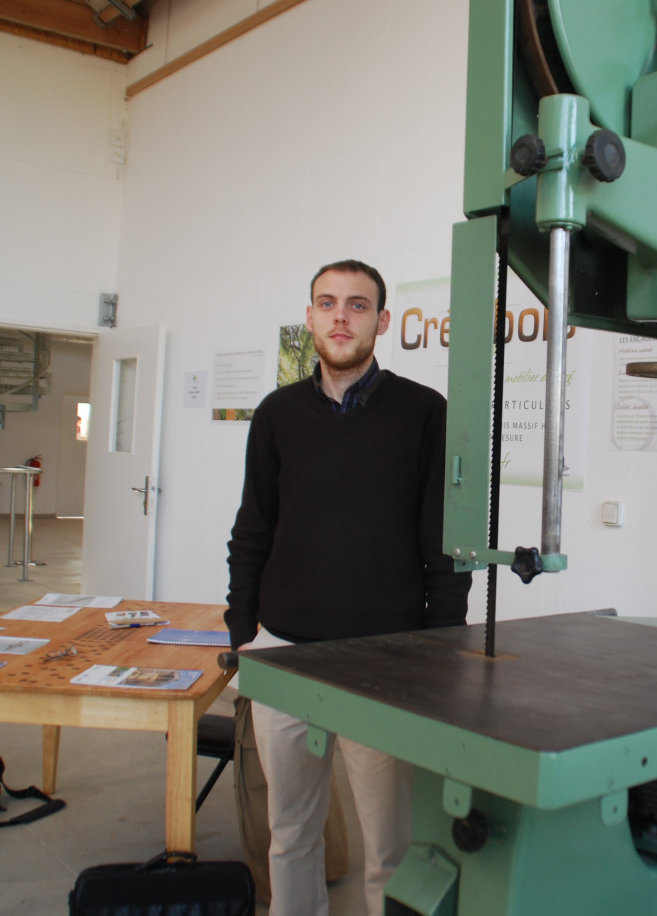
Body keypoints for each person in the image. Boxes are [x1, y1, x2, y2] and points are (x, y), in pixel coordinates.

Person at [225, 258, 472, 916]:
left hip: (383, 661)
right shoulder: (276, 414)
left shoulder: (423, 413)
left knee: (390, 849)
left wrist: (440, 651)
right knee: (290, 835)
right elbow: (254, 525)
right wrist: (240, 627)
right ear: (308, 318)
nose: (341, 316)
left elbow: (444, 547)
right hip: (283, 654)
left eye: (357, 305)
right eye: (327, 303)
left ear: (382, 321)